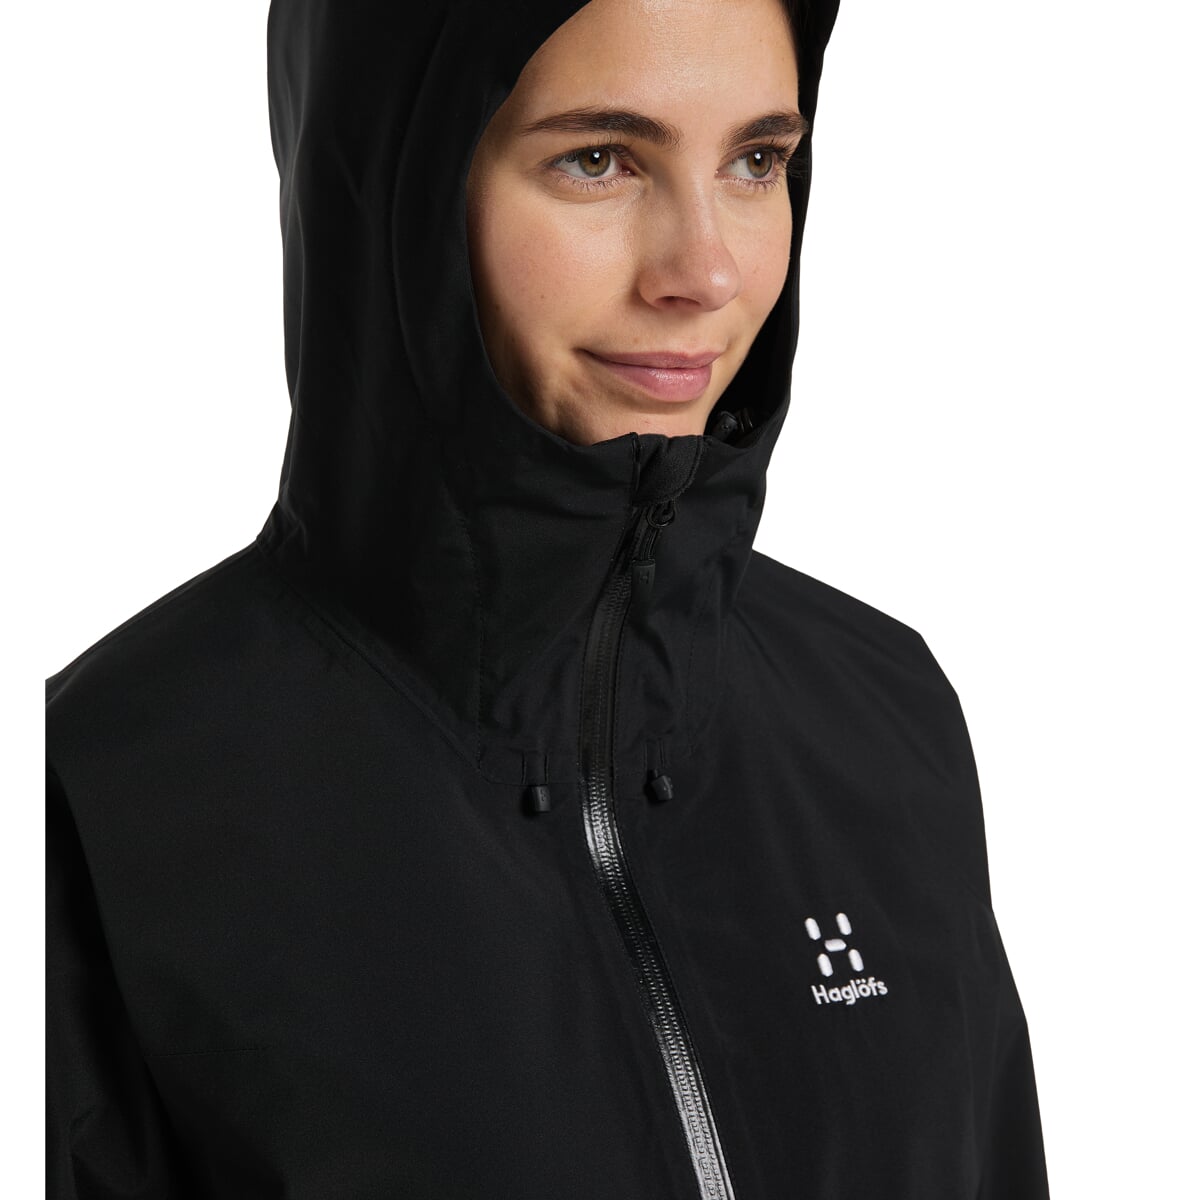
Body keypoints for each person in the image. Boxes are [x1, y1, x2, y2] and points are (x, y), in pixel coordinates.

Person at [45, 0, 1051, 1196]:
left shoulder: (885, 716)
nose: (707, 271)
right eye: (599, 159)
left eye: (755, 161)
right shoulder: (104, 792)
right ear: (397, 190)